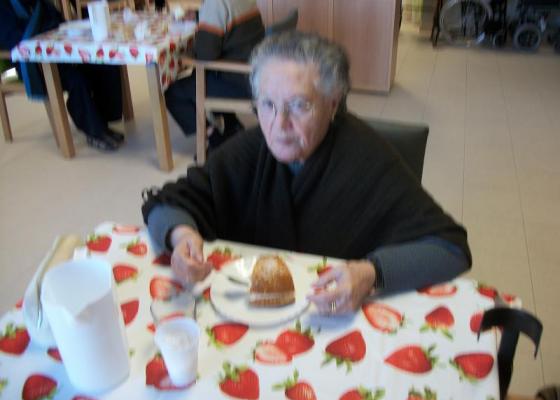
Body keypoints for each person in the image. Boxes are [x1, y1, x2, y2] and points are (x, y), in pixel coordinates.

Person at [142, 31, 472, 316]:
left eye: (300, 105)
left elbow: (450, 249)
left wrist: (372, 273)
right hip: (253, 312)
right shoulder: (252, 147)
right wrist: (181, 236)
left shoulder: (366, 157)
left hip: (332, 314)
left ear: (333, 104)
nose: (279, 125)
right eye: (267, 104)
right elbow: (167, 203)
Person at [0, 0, 124, 151]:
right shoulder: (4, 6)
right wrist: (46, 30)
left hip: (58, 53)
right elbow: (12, 39)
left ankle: (103, 120)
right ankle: (95, 132)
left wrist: (51, 29)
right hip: (33, 64)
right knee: (76, 79)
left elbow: (58, 21)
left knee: (103, 63)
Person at [164, 0, 265, 150]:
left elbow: (205, 56)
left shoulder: (215, 4)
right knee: (200, 76)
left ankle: (215, 138)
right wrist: (200, 16)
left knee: (174, 93)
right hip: (257, 73)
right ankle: (232, 127)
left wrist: (186, 56)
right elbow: (229, 18)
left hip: (239, 80)